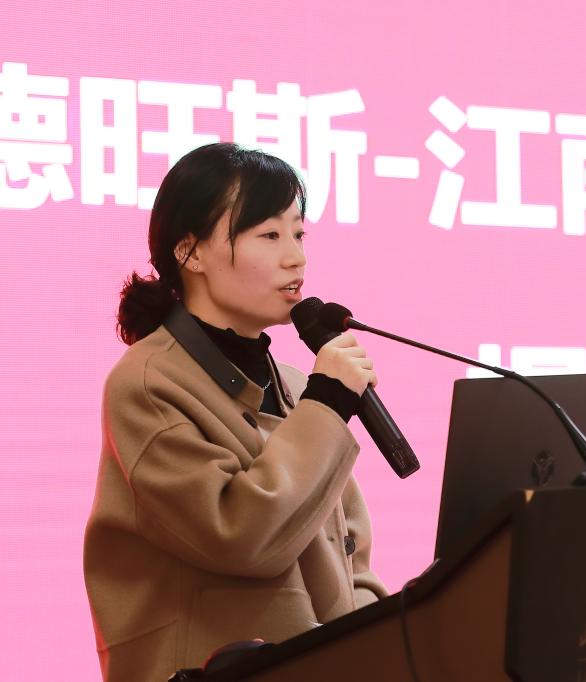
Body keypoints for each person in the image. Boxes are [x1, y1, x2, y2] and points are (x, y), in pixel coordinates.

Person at [83, 143, 388, 682]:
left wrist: (388, 639)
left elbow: (350, 557)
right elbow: (242, 537)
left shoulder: (300, 387)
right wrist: (327, 404)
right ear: (190, 252)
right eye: (268, 235)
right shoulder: (148, 383)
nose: (295, 258)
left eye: (298, 234)